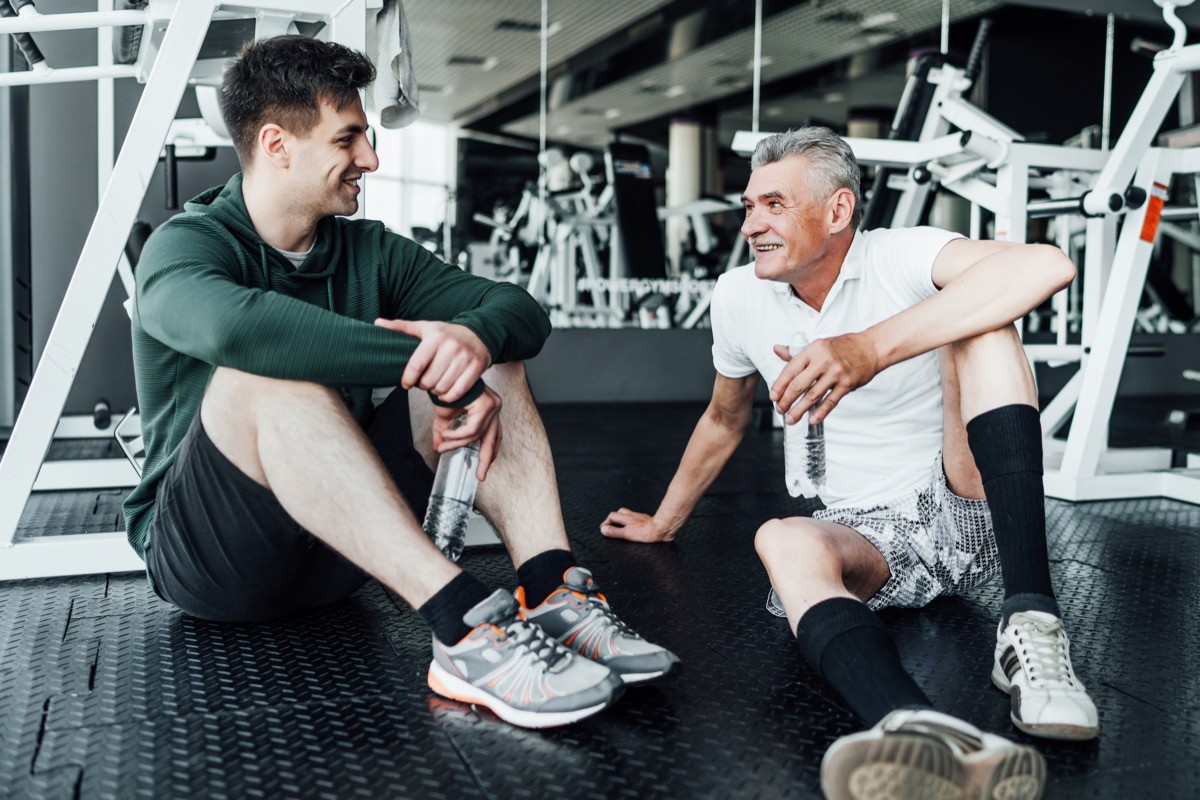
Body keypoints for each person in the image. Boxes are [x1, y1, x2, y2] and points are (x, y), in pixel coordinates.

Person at [124, 35, 678, 730]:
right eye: (348, 138)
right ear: (276, 144)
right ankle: (463, 631)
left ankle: (554, 592)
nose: (372, 159)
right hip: (212, 564)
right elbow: (240, 333)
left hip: (340, 550)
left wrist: (469, 344)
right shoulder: (189, 245)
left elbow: (519, 309)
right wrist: (426, 363)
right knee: (268, 377)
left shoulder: (369, 249)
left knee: (489, 350)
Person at [601, 127, 1097, 798]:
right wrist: (664, 520)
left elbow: (1045, 266)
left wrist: (867, 348)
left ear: (837, 211)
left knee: (986, 317)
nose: (753, 224)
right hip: (869, 537)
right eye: (749, 207)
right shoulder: (737, 296)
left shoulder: (899, 254)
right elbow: (724, 417)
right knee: (778, 537)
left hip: (963, 499)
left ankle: (1033, 627)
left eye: (773, 204)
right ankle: (916, 728)